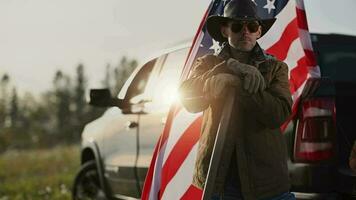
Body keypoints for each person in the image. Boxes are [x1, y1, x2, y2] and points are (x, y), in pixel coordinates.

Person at [179, 0, 295, 199]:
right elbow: (187, 97)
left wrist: (236, 84)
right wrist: (228, 67)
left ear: (258, 32)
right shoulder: (208, 63)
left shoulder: (275, 67)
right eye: (237, 26)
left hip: (267, 185)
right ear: (225, 31)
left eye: (251, 26)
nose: (245, 32)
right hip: (221, 182)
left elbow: (279, 113)